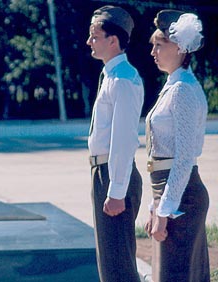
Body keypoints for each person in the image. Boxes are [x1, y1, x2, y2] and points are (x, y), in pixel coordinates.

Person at [144, 10, 210, 281]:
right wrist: (155, 204)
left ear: (181, 48)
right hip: (170, 190)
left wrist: (165, 209)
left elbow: (182, 158)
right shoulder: (174, 85)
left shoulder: (182, 90)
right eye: (152, 45)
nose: (153, 52)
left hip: (182, 196)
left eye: (159, 44)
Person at [86, 5, 144, 282]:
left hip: (113, 174)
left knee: (118, 266)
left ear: (113, 40)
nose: (89, 42)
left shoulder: (123, 80)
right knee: (109, 263)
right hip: (105, 173)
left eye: (94, 36)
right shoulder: (111, 75)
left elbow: (123, 140)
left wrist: (117, 190)